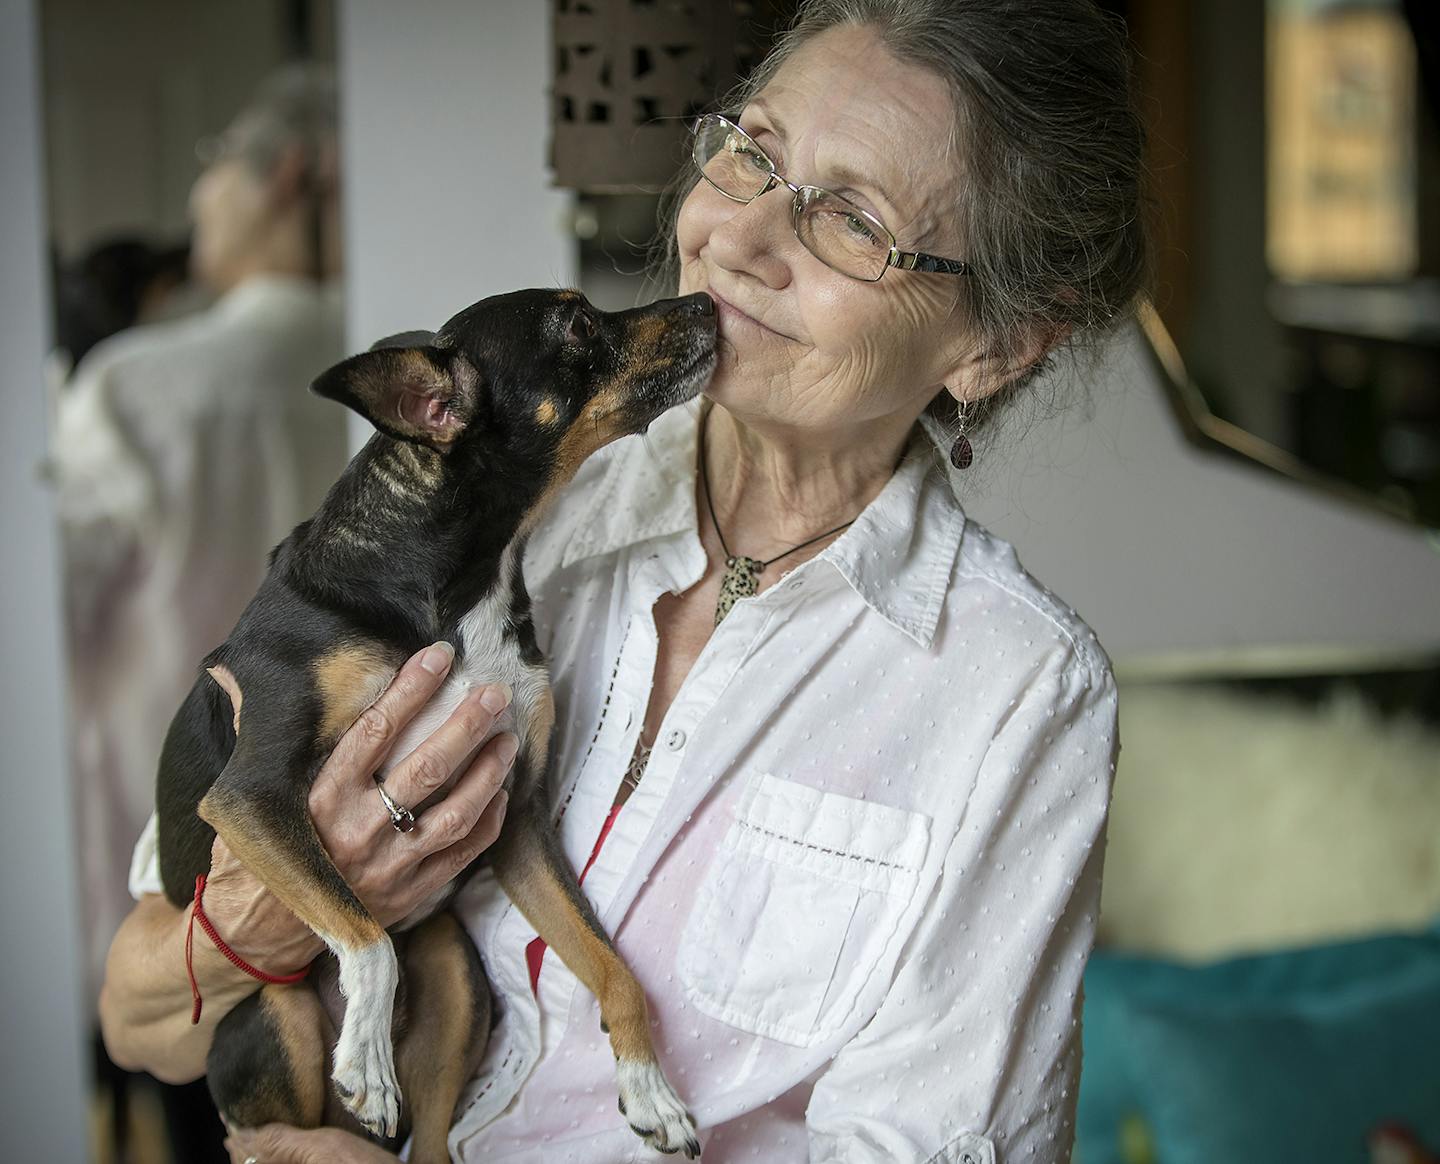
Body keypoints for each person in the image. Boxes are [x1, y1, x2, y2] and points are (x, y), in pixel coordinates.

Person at [100, 2, 1150, 1161]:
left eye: (854, 218)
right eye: (752, 152)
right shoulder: (500, 519)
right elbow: (141, 1021)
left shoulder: (1015, 694)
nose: (741, 237)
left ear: (995, 347)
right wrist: (282, 906)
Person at [56, 62, 349, 1075]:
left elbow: (53, 610)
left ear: (288, 173)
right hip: (361, 839)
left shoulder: (137, 388)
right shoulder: (412, 360)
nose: (197, 197)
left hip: (173, 873)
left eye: (214, 162)